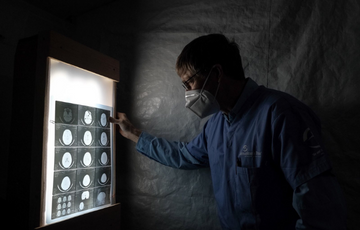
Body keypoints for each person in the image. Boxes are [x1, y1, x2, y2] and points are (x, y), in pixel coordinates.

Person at [110, 34, 347, 229]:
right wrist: (134, 134)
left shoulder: (281, 115)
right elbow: (183, 155)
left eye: (188, 83)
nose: (187, 93)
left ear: (215, 74)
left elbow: (321, 211)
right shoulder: (215, 126)